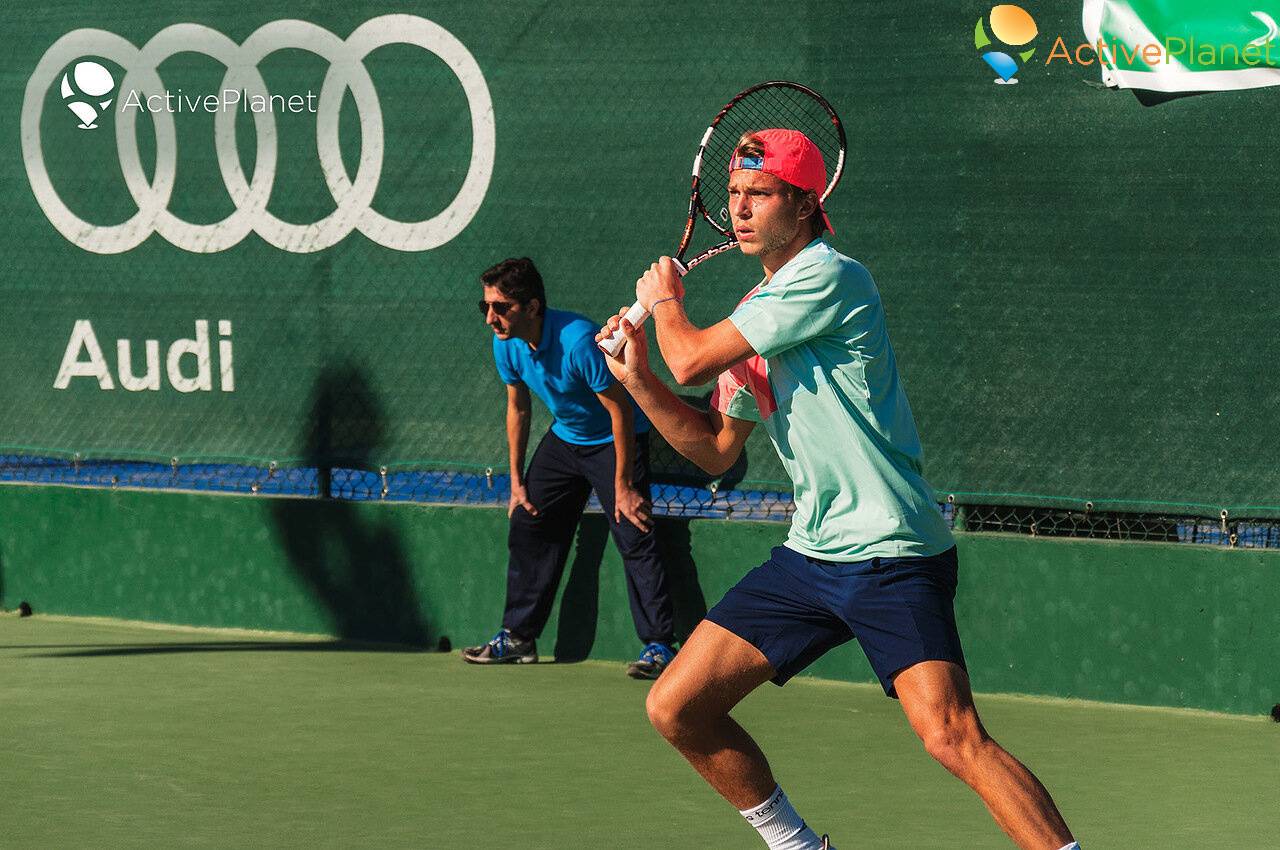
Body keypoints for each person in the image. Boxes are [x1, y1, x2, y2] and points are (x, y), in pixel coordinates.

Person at [596, 130, 1080, 849]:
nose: (739, 210)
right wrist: (637, 377)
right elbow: (715, 448)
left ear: (805, 203)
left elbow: (692, 359)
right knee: (678, 706)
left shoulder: (831, 276)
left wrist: (664, 304)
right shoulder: (760, 309)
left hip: (890, 547)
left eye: (759, 194)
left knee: (951, 736)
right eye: (732, 194)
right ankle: (798, 845)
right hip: (811, 555)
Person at [463, 257, 678, 679]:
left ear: (532, 307)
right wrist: (516, 483)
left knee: (631, 525)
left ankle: (658, 646)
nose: (491, 318)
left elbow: (619, 409)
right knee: (528, 521)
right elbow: (518, 407)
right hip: (564, 440)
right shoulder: (505, 342)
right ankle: (519, 638)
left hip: (614, 438)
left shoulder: (578, 340)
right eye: (485, 307)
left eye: (501, 307)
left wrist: (621, 484)